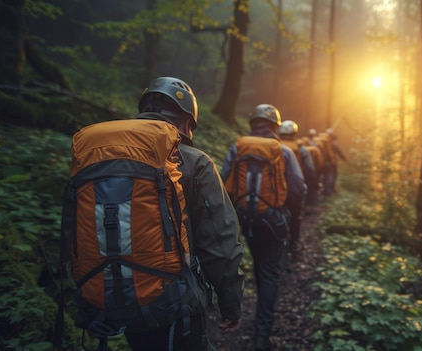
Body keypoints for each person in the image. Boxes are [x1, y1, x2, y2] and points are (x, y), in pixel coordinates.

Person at [128, 76, 245, 351]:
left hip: (115, 295)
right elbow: (221, 243)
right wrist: (231, 305)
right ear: (186, 122)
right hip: (175, 301)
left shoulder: (109, 156)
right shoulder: (194, 163)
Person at [221, 104, 306, 351]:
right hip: (273, 222)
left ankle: (236, 312)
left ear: (253, 124)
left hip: (244, 219)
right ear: (275, 126)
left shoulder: (237, 147)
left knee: (259, 262)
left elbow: (224, 183)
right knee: (269, 274)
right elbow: (299, 189)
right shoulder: (283, 152)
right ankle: (261, 334)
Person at [278, 119, 317, 246]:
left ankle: (279, 239)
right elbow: (310, 168)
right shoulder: (301, 148)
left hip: (276, 188)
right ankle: (293, 241)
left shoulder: (274, 146)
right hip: (294, 188)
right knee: (296, 214)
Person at [323, 128, 348, 195]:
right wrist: (345, 159)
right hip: (332, 162)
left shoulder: (323, 143)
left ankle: (326, 190)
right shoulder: (333, 144)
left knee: (326, 176)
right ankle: (330, 190)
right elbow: (339, 152)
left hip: (325, 163)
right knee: (333, 175)